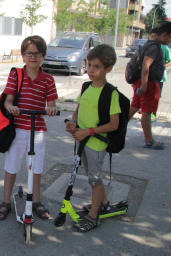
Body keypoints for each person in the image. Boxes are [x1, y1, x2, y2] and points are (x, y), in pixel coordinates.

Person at [0, 36, 58, 221]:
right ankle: (5, 201)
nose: (33, 57)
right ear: (23, 55)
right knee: (12, 166)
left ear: (43, 56)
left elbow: (51, 103)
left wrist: (52, 108)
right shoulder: (16, 74)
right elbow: (8, 99)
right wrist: (10, 106)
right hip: (18, 129)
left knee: (36, 168)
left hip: (37, 130)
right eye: (29, 53)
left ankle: (36, 201)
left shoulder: (48, 79)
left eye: (37, 53)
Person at [66, 44, 121, 232]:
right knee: (92, 178)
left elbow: (114, 124)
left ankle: (94, 216)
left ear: (108, 69)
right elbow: (77, 111)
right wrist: (72, 122)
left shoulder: (110, 93)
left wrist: (87, 132)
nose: (90, 70)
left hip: (96, 145)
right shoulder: (86, 86)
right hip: (82, 140)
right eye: (89, 65)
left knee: (95, 180)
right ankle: (103, 203)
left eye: (96, 67)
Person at [128, 22, 171, 150]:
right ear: (164, 35)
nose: (170, 41)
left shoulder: (150, 44)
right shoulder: (154, 47)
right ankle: (149, 140)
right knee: (147, 112)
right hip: (148, 83)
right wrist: (145, 86)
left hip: (143, 82)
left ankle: (115, 130)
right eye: (170, 38)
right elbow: (146, 65)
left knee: (134, 106)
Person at [149, 27, 171, 121]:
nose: (153, 38)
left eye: (155, 36)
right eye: (152, 36)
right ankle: (147, 111)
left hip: (160, 78)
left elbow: (170, 61)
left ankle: (154, 113)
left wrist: (163, 66)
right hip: (149, 77)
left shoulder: (164, 48)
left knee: (157, 96)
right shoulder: (150, 46)